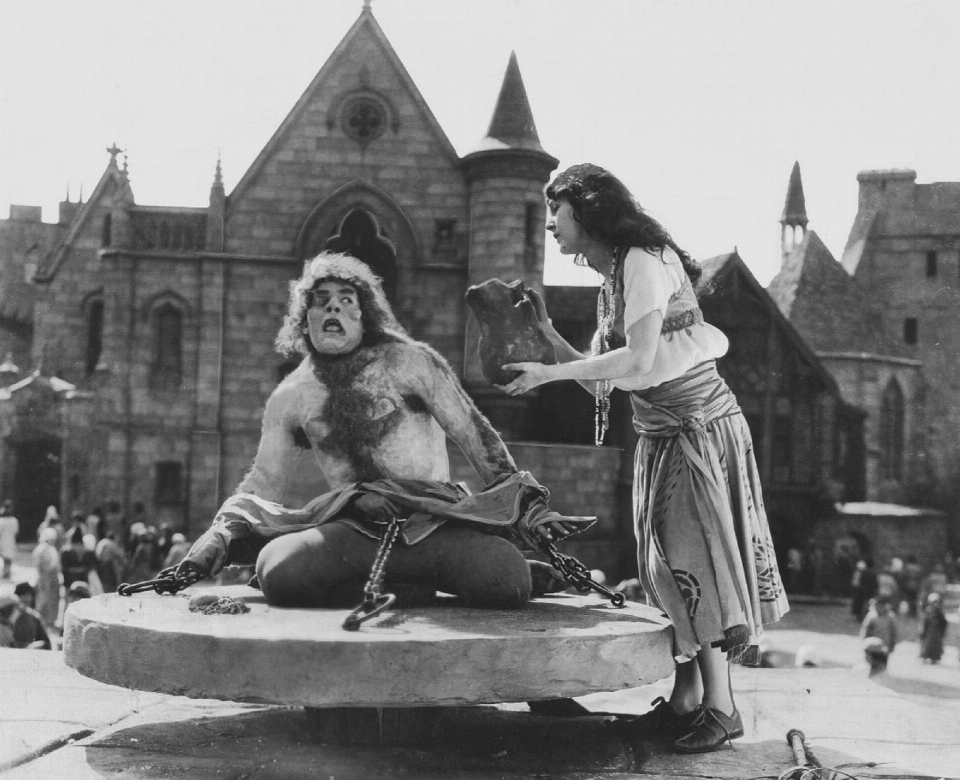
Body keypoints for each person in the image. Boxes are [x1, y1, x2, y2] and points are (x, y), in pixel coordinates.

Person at [498, 164, 788, 753]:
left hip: (695, 430)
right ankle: (686, 701)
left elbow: (637, 362)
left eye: (558, 210)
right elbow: (610, 384)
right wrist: (549, 334)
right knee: (665, 572)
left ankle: (723, 708)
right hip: (662, 434)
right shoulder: (615, 275)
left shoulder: (641, 260)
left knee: (692, 562)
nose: (551, 224)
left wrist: (551, 371)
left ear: (588, 209)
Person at [178, 252, 585, 613]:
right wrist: (222, 530)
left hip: (433, 522)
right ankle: (404, 590)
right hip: (351, 529)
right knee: (280, 573)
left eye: (346, 300)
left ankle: (417, 582)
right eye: (321, 301)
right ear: (305, 318)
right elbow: (263, 481)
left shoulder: (411, 362)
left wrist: (531, 507)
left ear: (362, 314)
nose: (333, 307)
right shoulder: (291, 396)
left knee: (505, 580)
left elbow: (476, 436)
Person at [31, 528, 61, 629]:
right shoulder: (42, 550)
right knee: (43, 600)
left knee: (51, 600)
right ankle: (39, 620)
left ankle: (49, 620)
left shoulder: (50, 548)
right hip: (45, 578)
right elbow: (44, 566)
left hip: (50, 578)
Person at [919, 592, 948, 664]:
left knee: (936, 645)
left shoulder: (940, 613)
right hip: (929, 632)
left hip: (937, 632)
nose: (936, 604)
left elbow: (944, 622)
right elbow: (924, 621)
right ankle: (925, 656)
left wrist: (942, 631)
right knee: (927, 644)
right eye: (934, 602)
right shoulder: (928, 611)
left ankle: (935, 658)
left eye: (937, 602)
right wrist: (922, 630)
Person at [0, 499, 19, 579]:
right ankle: (6, 571)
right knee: (6, 557)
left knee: (8, 557)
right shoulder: (11, 521)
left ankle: (7, 571)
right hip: (7, 540)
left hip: (7, 540)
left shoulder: (13, 520)